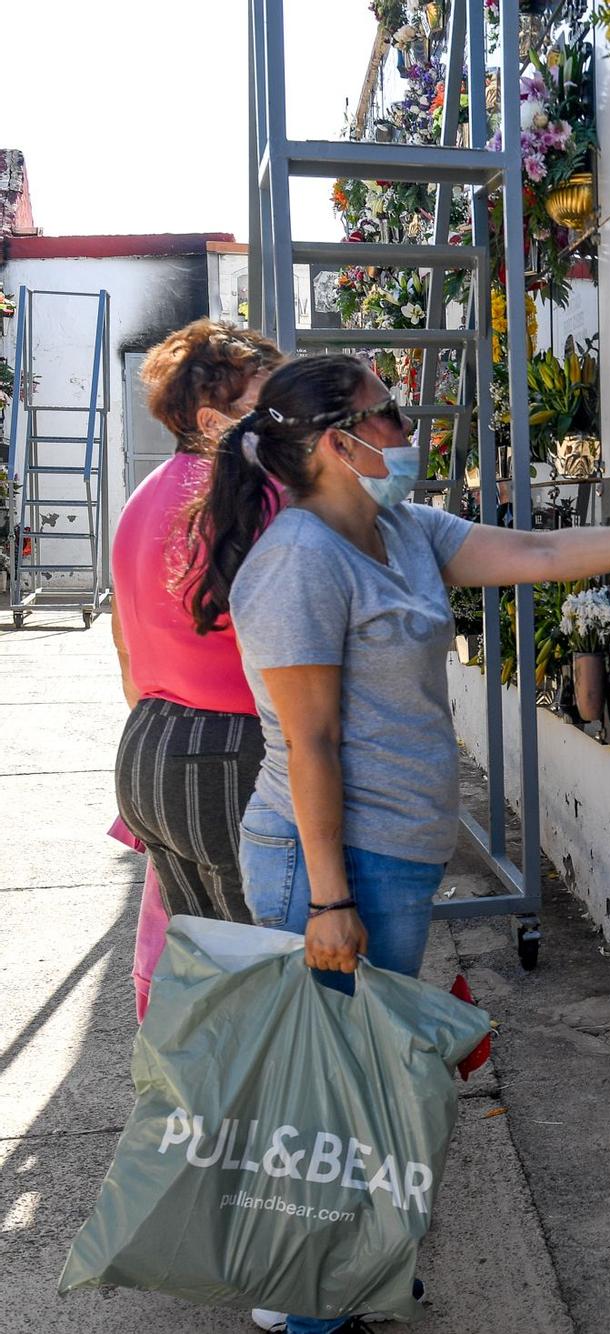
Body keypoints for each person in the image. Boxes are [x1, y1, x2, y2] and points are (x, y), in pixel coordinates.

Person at [188, 353, 610, 1334]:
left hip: (393, 853)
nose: (408, 430)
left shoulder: (399, 532)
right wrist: (327, 900)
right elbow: (309, 740)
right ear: (337, 441)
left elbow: (531, 551)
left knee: (370, 1082)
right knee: (329, 1094)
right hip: (329, 861)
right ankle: (305, 1303)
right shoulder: (299, 563)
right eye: (388, 413)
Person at [110, 319, 284, 1018]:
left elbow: (125, 648)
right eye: (269, 409)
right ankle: (266, 1122)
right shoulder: (250, 497)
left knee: (200, 969)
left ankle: (201, 1115)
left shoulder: (142, 497)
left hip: (149, 748)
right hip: (233, 752)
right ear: (215, 419)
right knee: (263, 974)